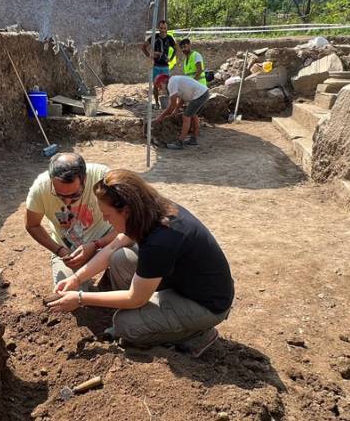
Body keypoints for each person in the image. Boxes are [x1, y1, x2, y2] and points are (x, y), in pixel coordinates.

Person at [47, 169, 234, 357]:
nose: (105, 220)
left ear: (126, 211)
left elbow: (135, 298)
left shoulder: (161, 239)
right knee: (120, 258)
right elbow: (112, 247)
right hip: (181, 285)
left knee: (125, 325)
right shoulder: (148, 211)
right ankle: (149, 319)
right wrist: (76, 279)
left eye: (107, 215)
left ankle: (197, 335)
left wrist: (80, 298)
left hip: (206, 305)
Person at [25, 153, 119, 287]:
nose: (67, 202)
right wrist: (60, 251)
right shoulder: (40, 188)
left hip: (107, 240)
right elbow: (32, 225)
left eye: (75, 195)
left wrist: (97, 244)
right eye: (60, 195)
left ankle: (108, 283)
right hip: (68, 249)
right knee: (67, 291)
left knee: (127, 259)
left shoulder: (103, 178)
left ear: (85, 179)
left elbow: (130, 222)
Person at [154, 74, 210, 150]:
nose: (160, 89)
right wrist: (176, 110)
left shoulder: (171, 83)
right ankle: (194, 139)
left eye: (160, 87)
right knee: (193, 114)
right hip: (203, 93)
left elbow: (172, 105)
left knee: (186, 116)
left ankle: (180, 143)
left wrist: (161, 117)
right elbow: (182, 99)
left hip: (200, 95)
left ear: (162, 82)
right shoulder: (175, 80)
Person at [141, 20, 177, 103]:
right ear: (158, 28)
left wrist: (171, 58)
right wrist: (150, 56)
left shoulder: (169, 38)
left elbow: (176, 48)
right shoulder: (154, 37)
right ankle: (157, 103)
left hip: (165, 66)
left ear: (167, 28)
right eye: (161, 28)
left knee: (168, 85)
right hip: (156, 66)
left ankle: (169, 103)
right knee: (155, 85)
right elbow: (143, 47)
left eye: (164, 28)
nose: (163, 30)